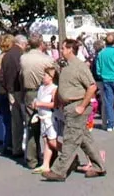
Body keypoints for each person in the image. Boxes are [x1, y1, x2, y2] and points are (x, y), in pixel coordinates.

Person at [41, 39, 107, 181]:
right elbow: (58, 77)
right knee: (84, 139)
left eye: (63, 48)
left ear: (70, 49)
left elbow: (92, 86)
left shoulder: (79, 66)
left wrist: (82, 106)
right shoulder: (66, 65)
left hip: (77, 105)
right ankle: (99, 166)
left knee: (70, 139)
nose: (61, 50)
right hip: (68, 106)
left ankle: (59, 171)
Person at [20, 33, 53, 168]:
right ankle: (51, 156)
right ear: (41, 44)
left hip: (29, 91)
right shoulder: (47, 59)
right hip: (44, 90)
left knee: (32, 125)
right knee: (49, 124)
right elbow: (54, 73)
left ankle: (32, 158)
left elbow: (21, 75)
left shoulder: (23, 58)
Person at [0, 35, 26, 157]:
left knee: (15, 121)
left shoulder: (6, 55)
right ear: (23, 44)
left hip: (10, 90)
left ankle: (15, 147)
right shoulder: (20, 55)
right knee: (24, 120)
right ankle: (24, 149)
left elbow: (2, 75)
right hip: (19, 89)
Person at [30, 65, 60, 174]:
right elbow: (38, 99)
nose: (43, 77)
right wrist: (35, 103)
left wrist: (41, 103)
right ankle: (45, 164)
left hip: (50, 117)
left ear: (51, 77)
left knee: (52, 141)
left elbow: (55, 104)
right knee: (46, 141)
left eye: (46, 75)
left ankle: (69, 154)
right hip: (41, 116)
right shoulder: (41, 87)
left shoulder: (54, 88)